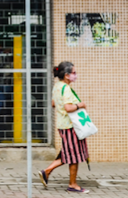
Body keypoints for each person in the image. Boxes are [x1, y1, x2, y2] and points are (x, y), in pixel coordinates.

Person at [39, 61, 89, 193]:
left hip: (62, 125)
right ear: (66, 75)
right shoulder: (66, 88)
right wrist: (80, 105)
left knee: (68, 153)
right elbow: (68, 107)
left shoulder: (57, 86)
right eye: (73, 73)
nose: (75, 75)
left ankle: (47, 172)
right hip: (70, 126)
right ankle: (71, 184)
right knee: (74, 156)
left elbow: (54, 104)